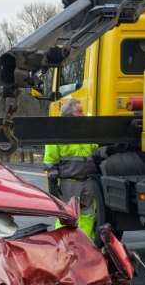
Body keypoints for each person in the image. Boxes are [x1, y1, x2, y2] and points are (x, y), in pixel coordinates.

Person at [43, 98, 104, 240]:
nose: (83, 114)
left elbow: (95, 152)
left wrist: (110, 150)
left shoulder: (86, 132)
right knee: (66, 218)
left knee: (88, 215)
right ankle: (64, 246)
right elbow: (50, 160)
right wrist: (52, 183)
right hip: (68, 183)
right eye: (79, 111)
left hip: (87, 182)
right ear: (69, 115)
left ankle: (85, 246)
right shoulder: (57, 133)